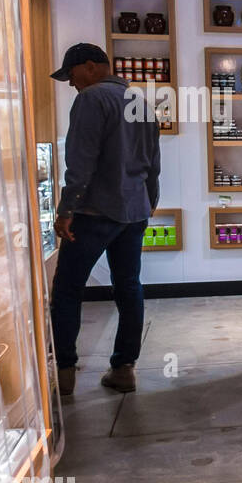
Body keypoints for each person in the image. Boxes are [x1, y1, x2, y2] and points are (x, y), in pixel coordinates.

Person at [49, 42, 159, 395]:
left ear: (92, 66)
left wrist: (66, 210)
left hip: (94, 212)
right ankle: (124, 368)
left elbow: (80, 162)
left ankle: (64, 373)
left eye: (72, 74)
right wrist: (149, 204)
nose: (70, 83)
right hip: (134, 212)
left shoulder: (91, 99)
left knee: (67, 289)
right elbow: (153, 164)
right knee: (129, 286)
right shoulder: (140, 102)